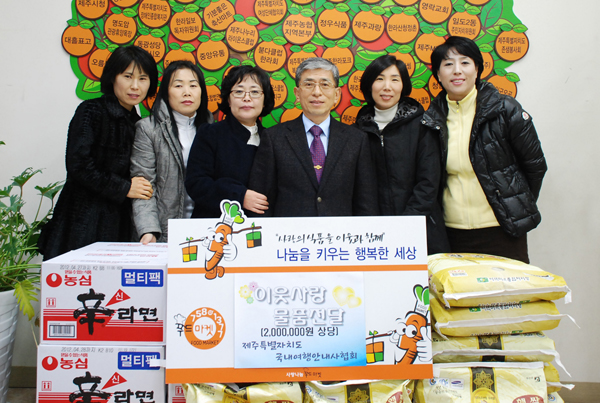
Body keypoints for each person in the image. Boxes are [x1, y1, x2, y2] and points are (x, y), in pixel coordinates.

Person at [422, 36, 547, 263]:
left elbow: (535, 166)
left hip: (502, 229)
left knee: (507, 287)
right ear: (438, 75)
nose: (457, 70)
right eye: (448, 64)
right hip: (452, 232)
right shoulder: (431, 120)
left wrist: (512, 204)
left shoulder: (505, 110)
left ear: (477, 69)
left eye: (465, 62)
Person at [38, 45, 158, 260]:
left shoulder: (139, 124)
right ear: (113, 77)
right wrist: (124, 187)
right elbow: (79, 166)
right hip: (82, 221)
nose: (135, 86)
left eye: (143, 78)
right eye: (127, 76)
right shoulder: (91, 110)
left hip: (119, 223)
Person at [248, 57, 378, 217]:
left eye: (325, 84)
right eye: (309, 84)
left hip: (339, 232)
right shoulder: (274, 137)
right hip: (290, 232)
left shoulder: (356, 140)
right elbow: (261, 201)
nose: (317, 92)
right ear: (297, 93)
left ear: (337, 94)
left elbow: (366, 202)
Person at [355, 55, 449, 254]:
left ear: (403, 85)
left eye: (394, 79)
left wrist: (406, 225)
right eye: (379, 79)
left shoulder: (423, 125)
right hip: (374, 235)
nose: (387, 87)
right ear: (369, 85)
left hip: (422, 230)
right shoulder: (357, 132)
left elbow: (428, 182)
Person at [130, 61, 213, 243]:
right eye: (178, 85)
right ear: (166, 92)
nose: (187, 92)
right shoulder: (148, 129)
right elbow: (144, 187)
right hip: (164, 232)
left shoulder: (212, 129)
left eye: (193, 85)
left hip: (206, 231)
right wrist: (148, 230)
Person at [185, 66, 275, 218]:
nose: (247, 98)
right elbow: (196, 183)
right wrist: (239, 196)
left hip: (262, 226)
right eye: (239, 92)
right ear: (228, 99)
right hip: (216, 224)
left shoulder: (273, 138)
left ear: (265, 100)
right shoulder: (210, 133)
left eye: (254, 92)